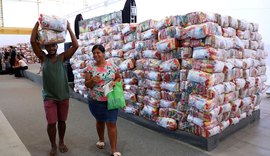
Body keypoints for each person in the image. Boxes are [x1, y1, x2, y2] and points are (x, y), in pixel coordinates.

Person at [30, 21, 78, 156]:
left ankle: (61, 141)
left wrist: (68, 28)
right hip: (49, 97)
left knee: (62, 122)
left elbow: (75, 45)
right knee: (51, 123)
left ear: (57, 46)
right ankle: (53, 145)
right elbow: (33, 42)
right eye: (49, 46)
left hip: (63, 96)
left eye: (54, 45)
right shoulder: (42, 58)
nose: (51, 48)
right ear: (45, 47)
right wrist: (36, 25)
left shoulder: (62, 57)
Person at [84, 44, 122, 156]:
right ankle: (101, 140)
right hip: (95, 101)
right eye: (94, 53)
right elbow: (87, 84)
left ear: (103, 53)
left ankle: (114, 150)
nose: (96, 55)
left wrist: (115, 82)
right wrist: (92, 81)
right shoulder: (90, 68)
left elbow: (118, 77)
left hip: (111, 99)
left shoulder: (112, 66)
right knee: (100, 120)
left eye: (98, 52)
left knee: (111, 123)